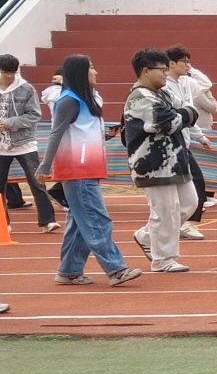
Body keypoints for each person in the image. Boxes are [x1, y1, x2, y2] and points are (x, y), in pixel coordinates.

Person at [40, 56, 142, 286]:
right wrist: (45, 165)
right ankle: (116, 269)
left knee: (80, 223)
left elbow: (82, 132)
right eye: (91, 69)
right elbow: (56, 133)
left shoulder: (87, 100)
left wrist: (106, 135)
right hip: (77, 169)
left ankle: (69, 270)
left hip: (88, 167)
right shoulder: (69, 101)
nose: (96, 72)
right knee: (97, 220)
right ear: (79, 73)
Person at [122, 48, 200, 274]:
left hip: (175, 159)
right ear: (145, 71)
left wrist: (183, 115)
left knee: (189, 203)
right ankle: (163, 259)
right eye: (161, 70)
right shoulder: (140, 98)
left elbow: (189, 110)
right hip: (152, 163)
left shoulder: (162, 93)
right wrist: (183, 115)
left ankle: (146, 236)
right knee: (165, 210)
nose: (165, 74)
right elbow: (169, 122)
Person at [0, 54, 57, 233]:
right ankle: (3, 223)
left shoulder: (26, 88)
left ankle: (47, 221)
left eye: (12, 72)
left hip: (25, 143)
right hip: (1, 146)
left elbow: (34, 115)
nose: (9, 76)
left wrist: (10, 123)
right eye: (5, 72)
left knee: (37, 182)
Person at [164, 47, 215, 233]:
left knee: (193, 183)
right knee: (186, 184)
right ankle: (179, 225)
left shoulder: (186, 82)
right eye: (184, 62)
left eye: (189, 61)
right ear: (171, 63)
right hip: (170, 145)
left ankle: (180, 224)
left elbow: (206, 85)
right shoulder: (164, 86)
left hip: (184, 143)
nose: (188, 65)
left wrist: (200, 136)